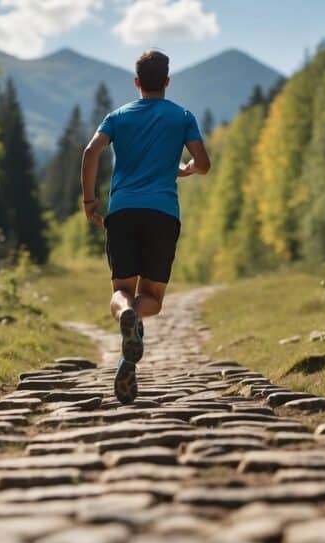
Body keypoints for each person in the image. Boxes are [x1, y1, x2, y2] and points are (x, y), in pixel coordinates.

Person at [79, 49, 212, 404]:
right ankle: (133, 322)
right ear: (166, 81)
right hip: (162, 213)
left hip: (122, 212)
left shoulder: (117, 117)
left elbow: (91, 152)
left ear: (137, 82)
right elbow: (203, 163)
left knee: (121, 289)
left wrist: (90, 202)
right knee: (151, 297)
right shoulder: (182, 116)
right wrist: (185, 169)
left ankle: (125, 316)